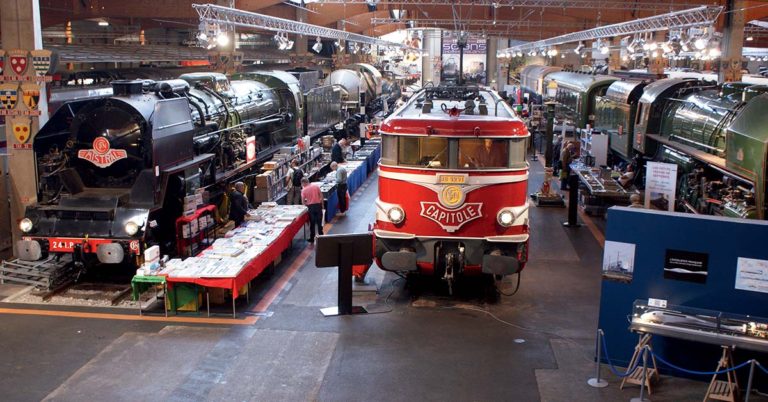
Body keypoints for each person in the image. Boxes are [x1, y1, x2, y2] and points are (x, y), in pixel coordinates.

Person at [301, 177, 324, 243]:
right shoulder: (316, 186)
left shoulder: (304, 190)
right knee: (320, 222)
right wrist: (322, 204)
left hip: (310, 207)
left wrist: (306, 206)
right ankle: (321, 236)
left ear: (303, 183)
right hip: (318, 205)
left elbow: (303, 202)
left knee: (312, 223)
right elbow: (321, 195)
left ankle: (312, 238)